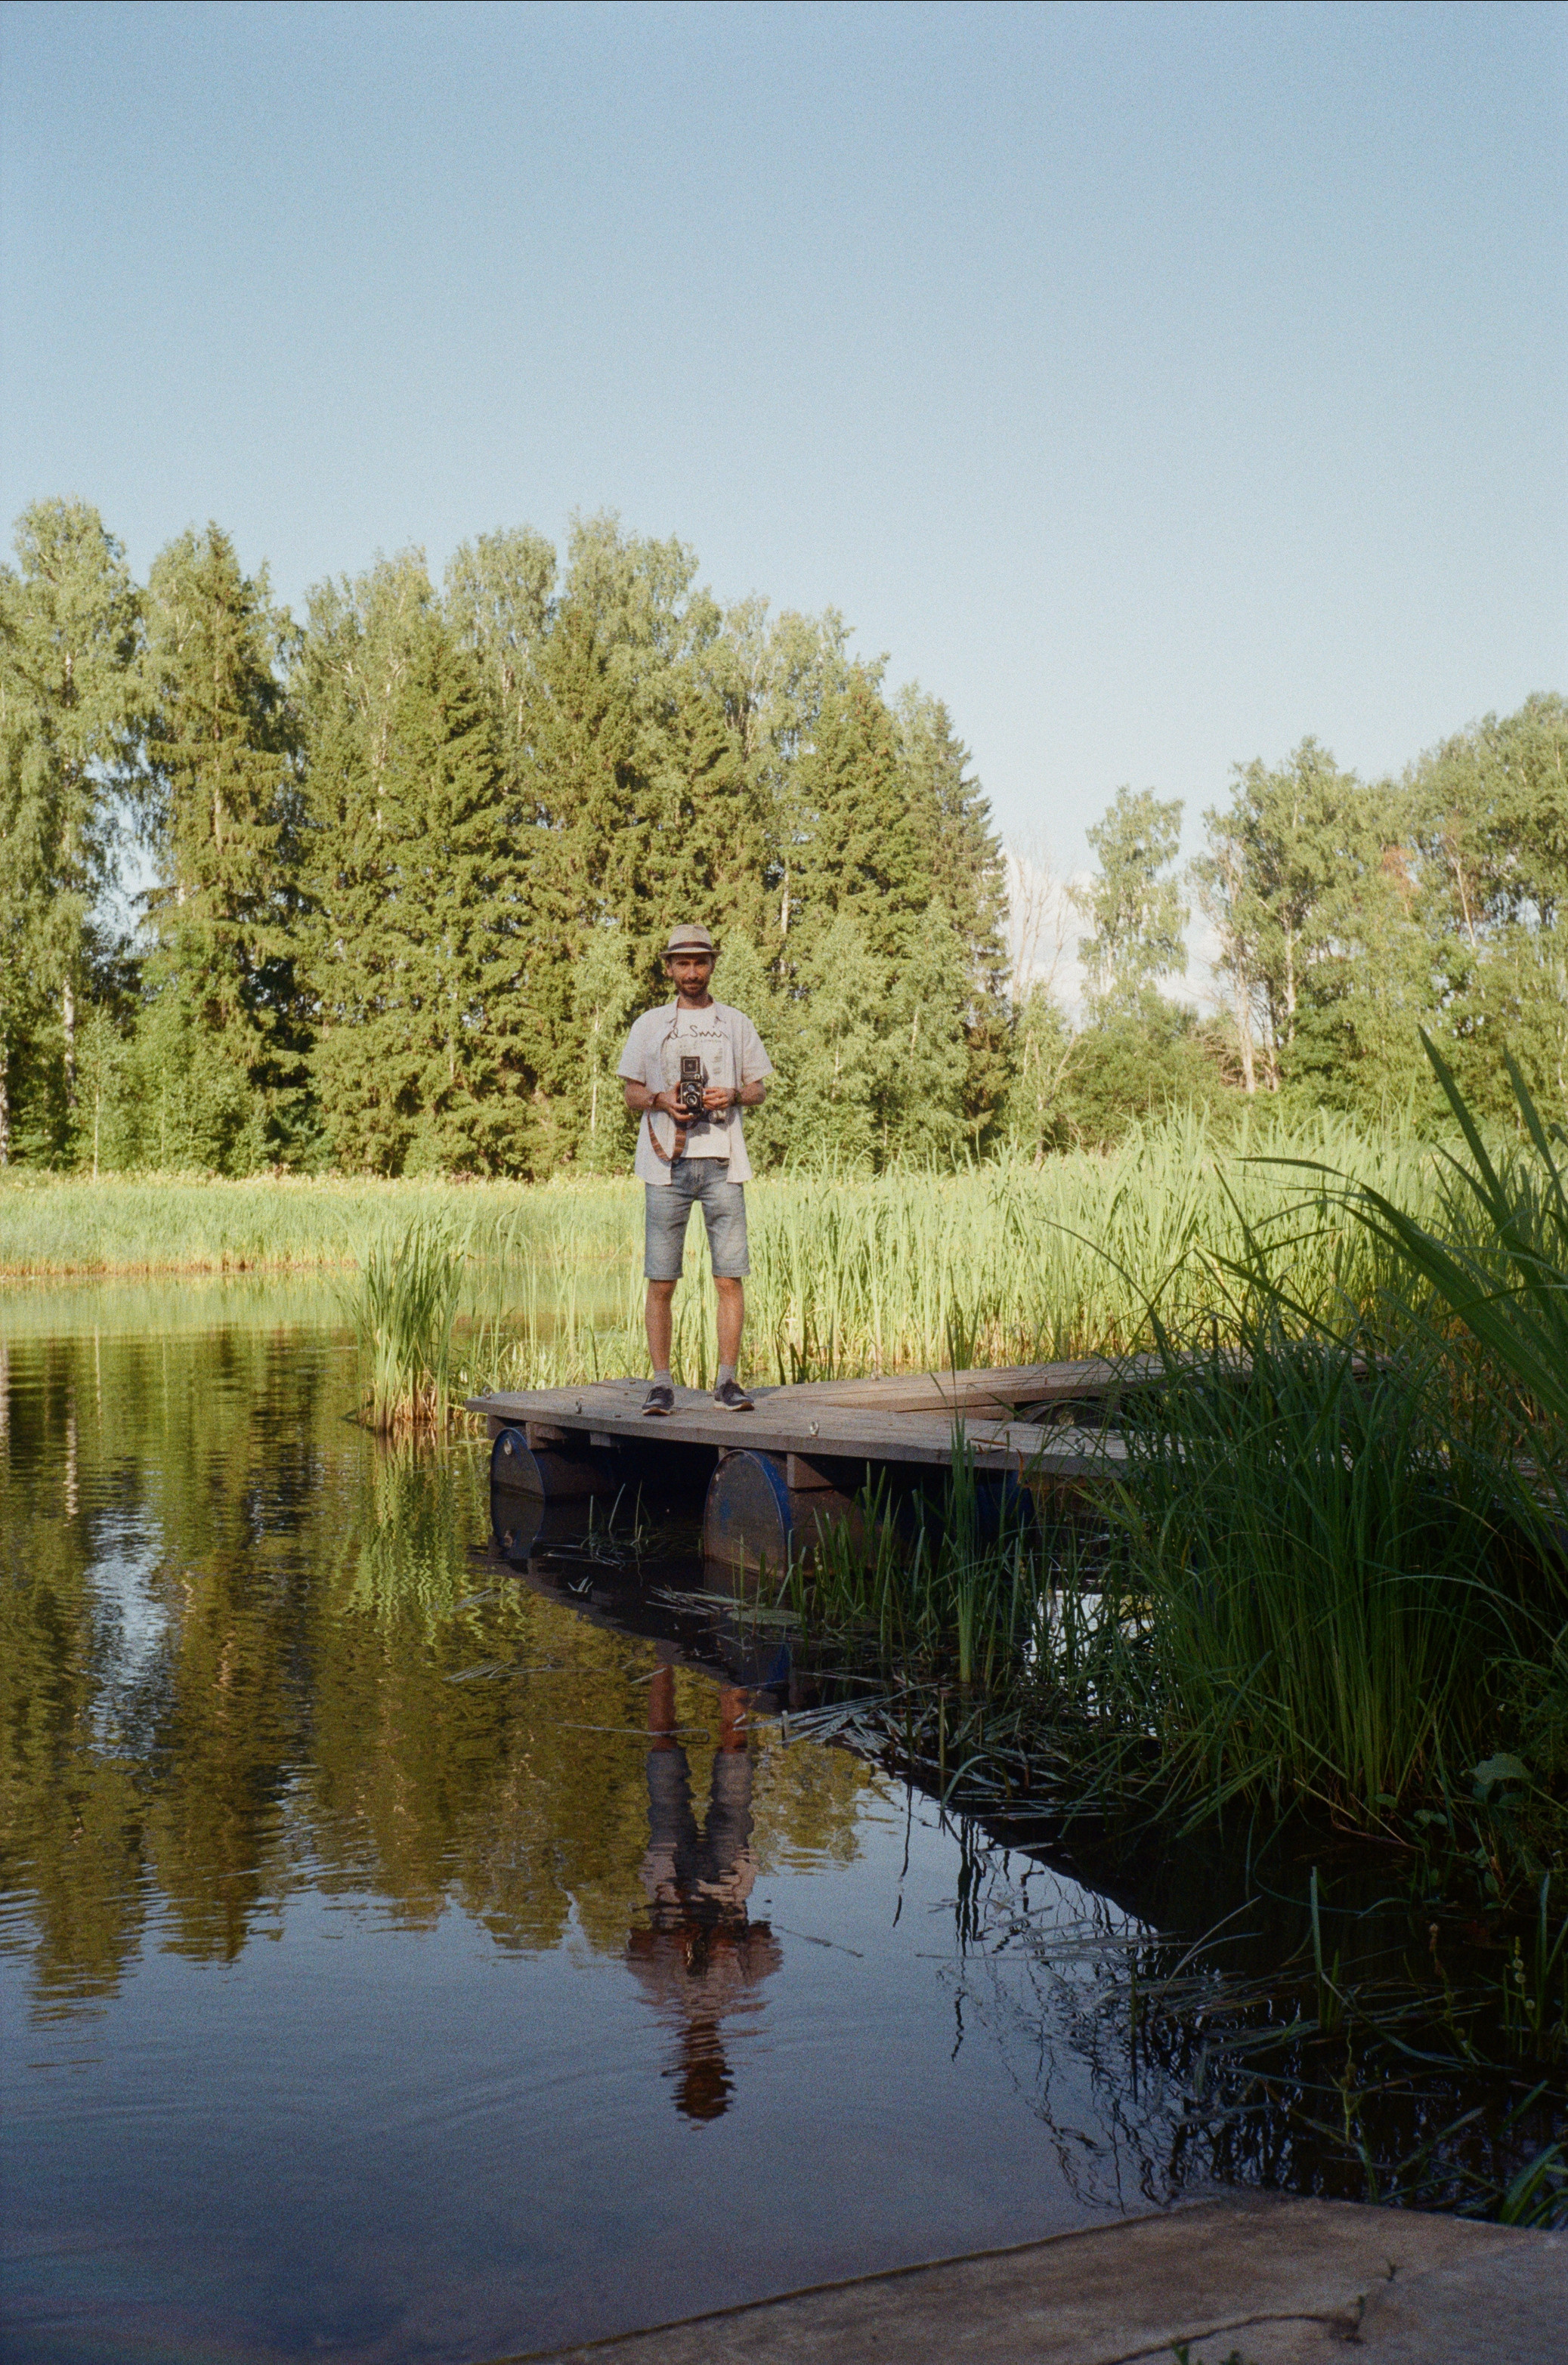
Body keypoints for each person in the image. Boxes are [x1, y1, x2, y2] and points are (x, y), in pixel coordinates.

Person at [617, 923, 773, 1416]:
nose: (691, 971)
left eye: (699, 962)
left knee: (729, 1277)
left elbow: (759, 1088)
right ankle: (661, 1384)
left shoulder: (735, 1024)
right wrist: (663, 1099)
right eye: (681, 963)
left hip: (723, 1165)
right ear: (668, 968)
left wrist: (731, 1094)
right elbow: (630, 1094)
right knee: (661, 1280)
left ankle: (726, 1381)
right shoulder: (648, 1025)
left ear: (712, 964)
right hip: (666, 1167)